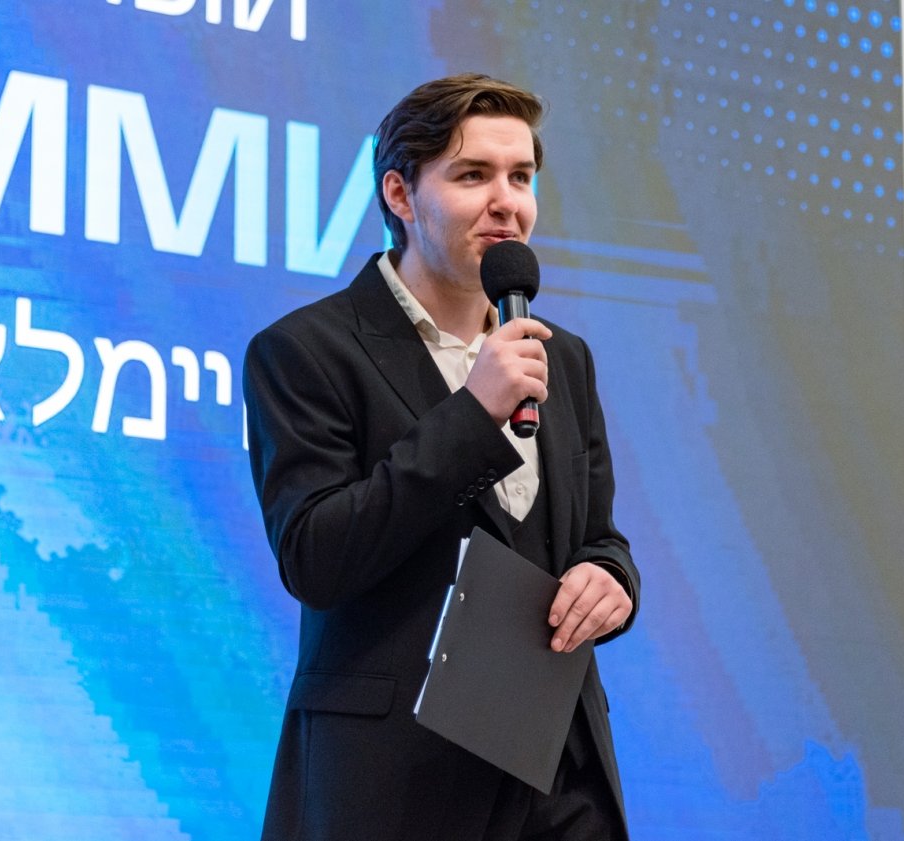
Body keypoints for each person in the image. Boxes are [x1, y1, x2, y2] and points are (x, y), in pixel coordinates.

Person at [243, 74, 640, 841]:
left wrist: (611, 578)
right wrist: (472, 413)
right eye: (472, 175)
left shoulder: (564, 358)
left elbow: (596, 536)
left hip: (558, 778)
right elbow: (315, 556)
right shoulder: (304, 351)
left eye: (520, 176)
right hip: (394, 785)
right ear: (400, 193)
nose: (506, 202)